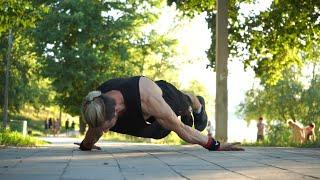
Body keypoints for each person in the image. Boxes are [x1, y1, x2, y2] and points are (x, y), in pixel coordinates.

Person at [75, 76, 243, 151]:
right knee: (159, 132)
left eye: (106, 127)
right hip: (147, 117)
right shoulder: (98, 102)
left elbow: (181, 129)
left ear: (116, 112)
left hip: (166, 97)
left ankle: (194, 101)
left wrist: (215, 145)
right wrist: (86, 146)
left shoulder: (145, 97)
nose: (105, 132)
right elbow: (95, 129)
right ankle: (180, 112)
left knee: (181, 111)